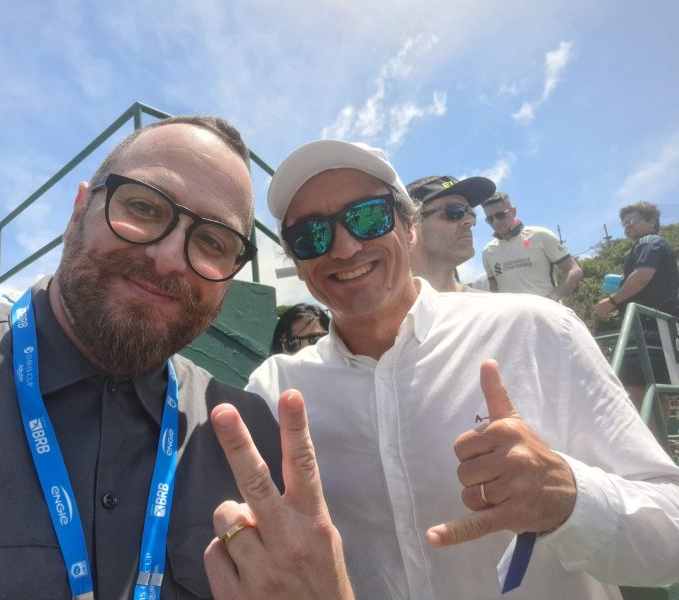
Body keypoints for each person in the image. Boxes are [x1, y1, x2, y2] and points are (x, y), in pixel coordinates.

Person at [0, 116, 352, 600]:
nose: (169, 257)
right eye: (144, 207)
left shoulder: (252, 441)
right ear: (78, 210)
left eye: (213, 242)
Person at [247, 138, 679, 599]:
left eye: (367, 216)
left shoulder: (535, 330)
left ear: (408, 229)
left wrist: (569, 500)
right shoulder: (276, 389)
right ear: (294, 258)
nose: (344, 246)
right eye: (311, 235)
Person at [595, 201, 679, 414]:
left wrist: (612, 301)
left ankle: (648, 443)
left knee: (635, 388)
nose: (627, 226)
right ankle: (658, 443)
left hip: (647, 327)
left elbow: (642, 276)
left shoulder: (649, 242)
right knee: (656, 390)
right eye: (624, 223)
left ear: (652, 222)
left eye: (633, 220)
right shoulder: (653, 245)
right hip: (658, 326)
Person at [481, 192, 583, 299]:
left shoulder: (541, 235)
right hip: (513, 315)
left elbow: (574, 270)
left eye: (500, 215)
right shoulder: (488, 251)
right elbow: (494, 289)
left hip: (547, 313)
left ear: (513, 212)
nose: (496, 221)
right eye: (490, 219)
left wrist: (552, 299)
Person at [406, 175, 496, 292]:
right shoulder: (380, 308)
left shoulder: (500, 308)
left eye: (470, 211)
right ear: (410, 227)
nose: (470, 220)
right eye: (454, 210)